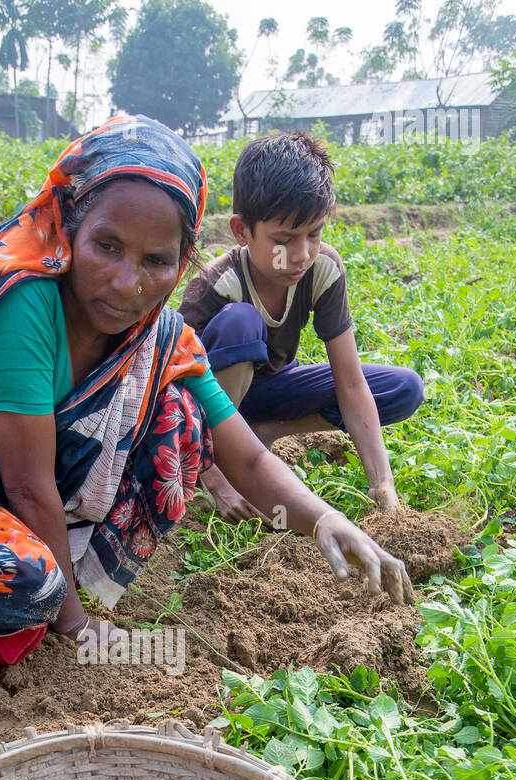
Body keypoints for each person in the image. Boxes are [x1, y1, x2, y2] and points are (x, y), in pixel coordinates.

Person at [0, 115, 413, 666]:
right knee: (26, 589)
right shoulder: (23, 302)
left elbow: (245, 453)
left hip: (6, 491)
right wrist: (75, 628)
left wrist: (325, 519)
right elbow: (30, 483)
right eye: (106, 247)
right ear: (69, 226)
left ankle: (31, 576)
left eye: (156, 260)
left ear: (182, 263)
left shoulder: (160, 334)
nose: (128, 284)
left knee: (181, 421)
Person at [179, 131, 425, 523]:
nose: (302, 253)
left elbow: (350, 380)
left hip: (274, 390)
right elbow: (173, 392)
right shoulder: (215, 286)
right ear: (241, 231)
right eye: (284, 239)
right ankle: (222, 456)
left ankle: (266, 429)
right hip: (210, 405)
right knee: (241, 321)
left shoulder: (322, 268)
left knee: (403, 388)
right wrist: (213, 477)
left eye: (314, 233)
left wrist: (383, 483)